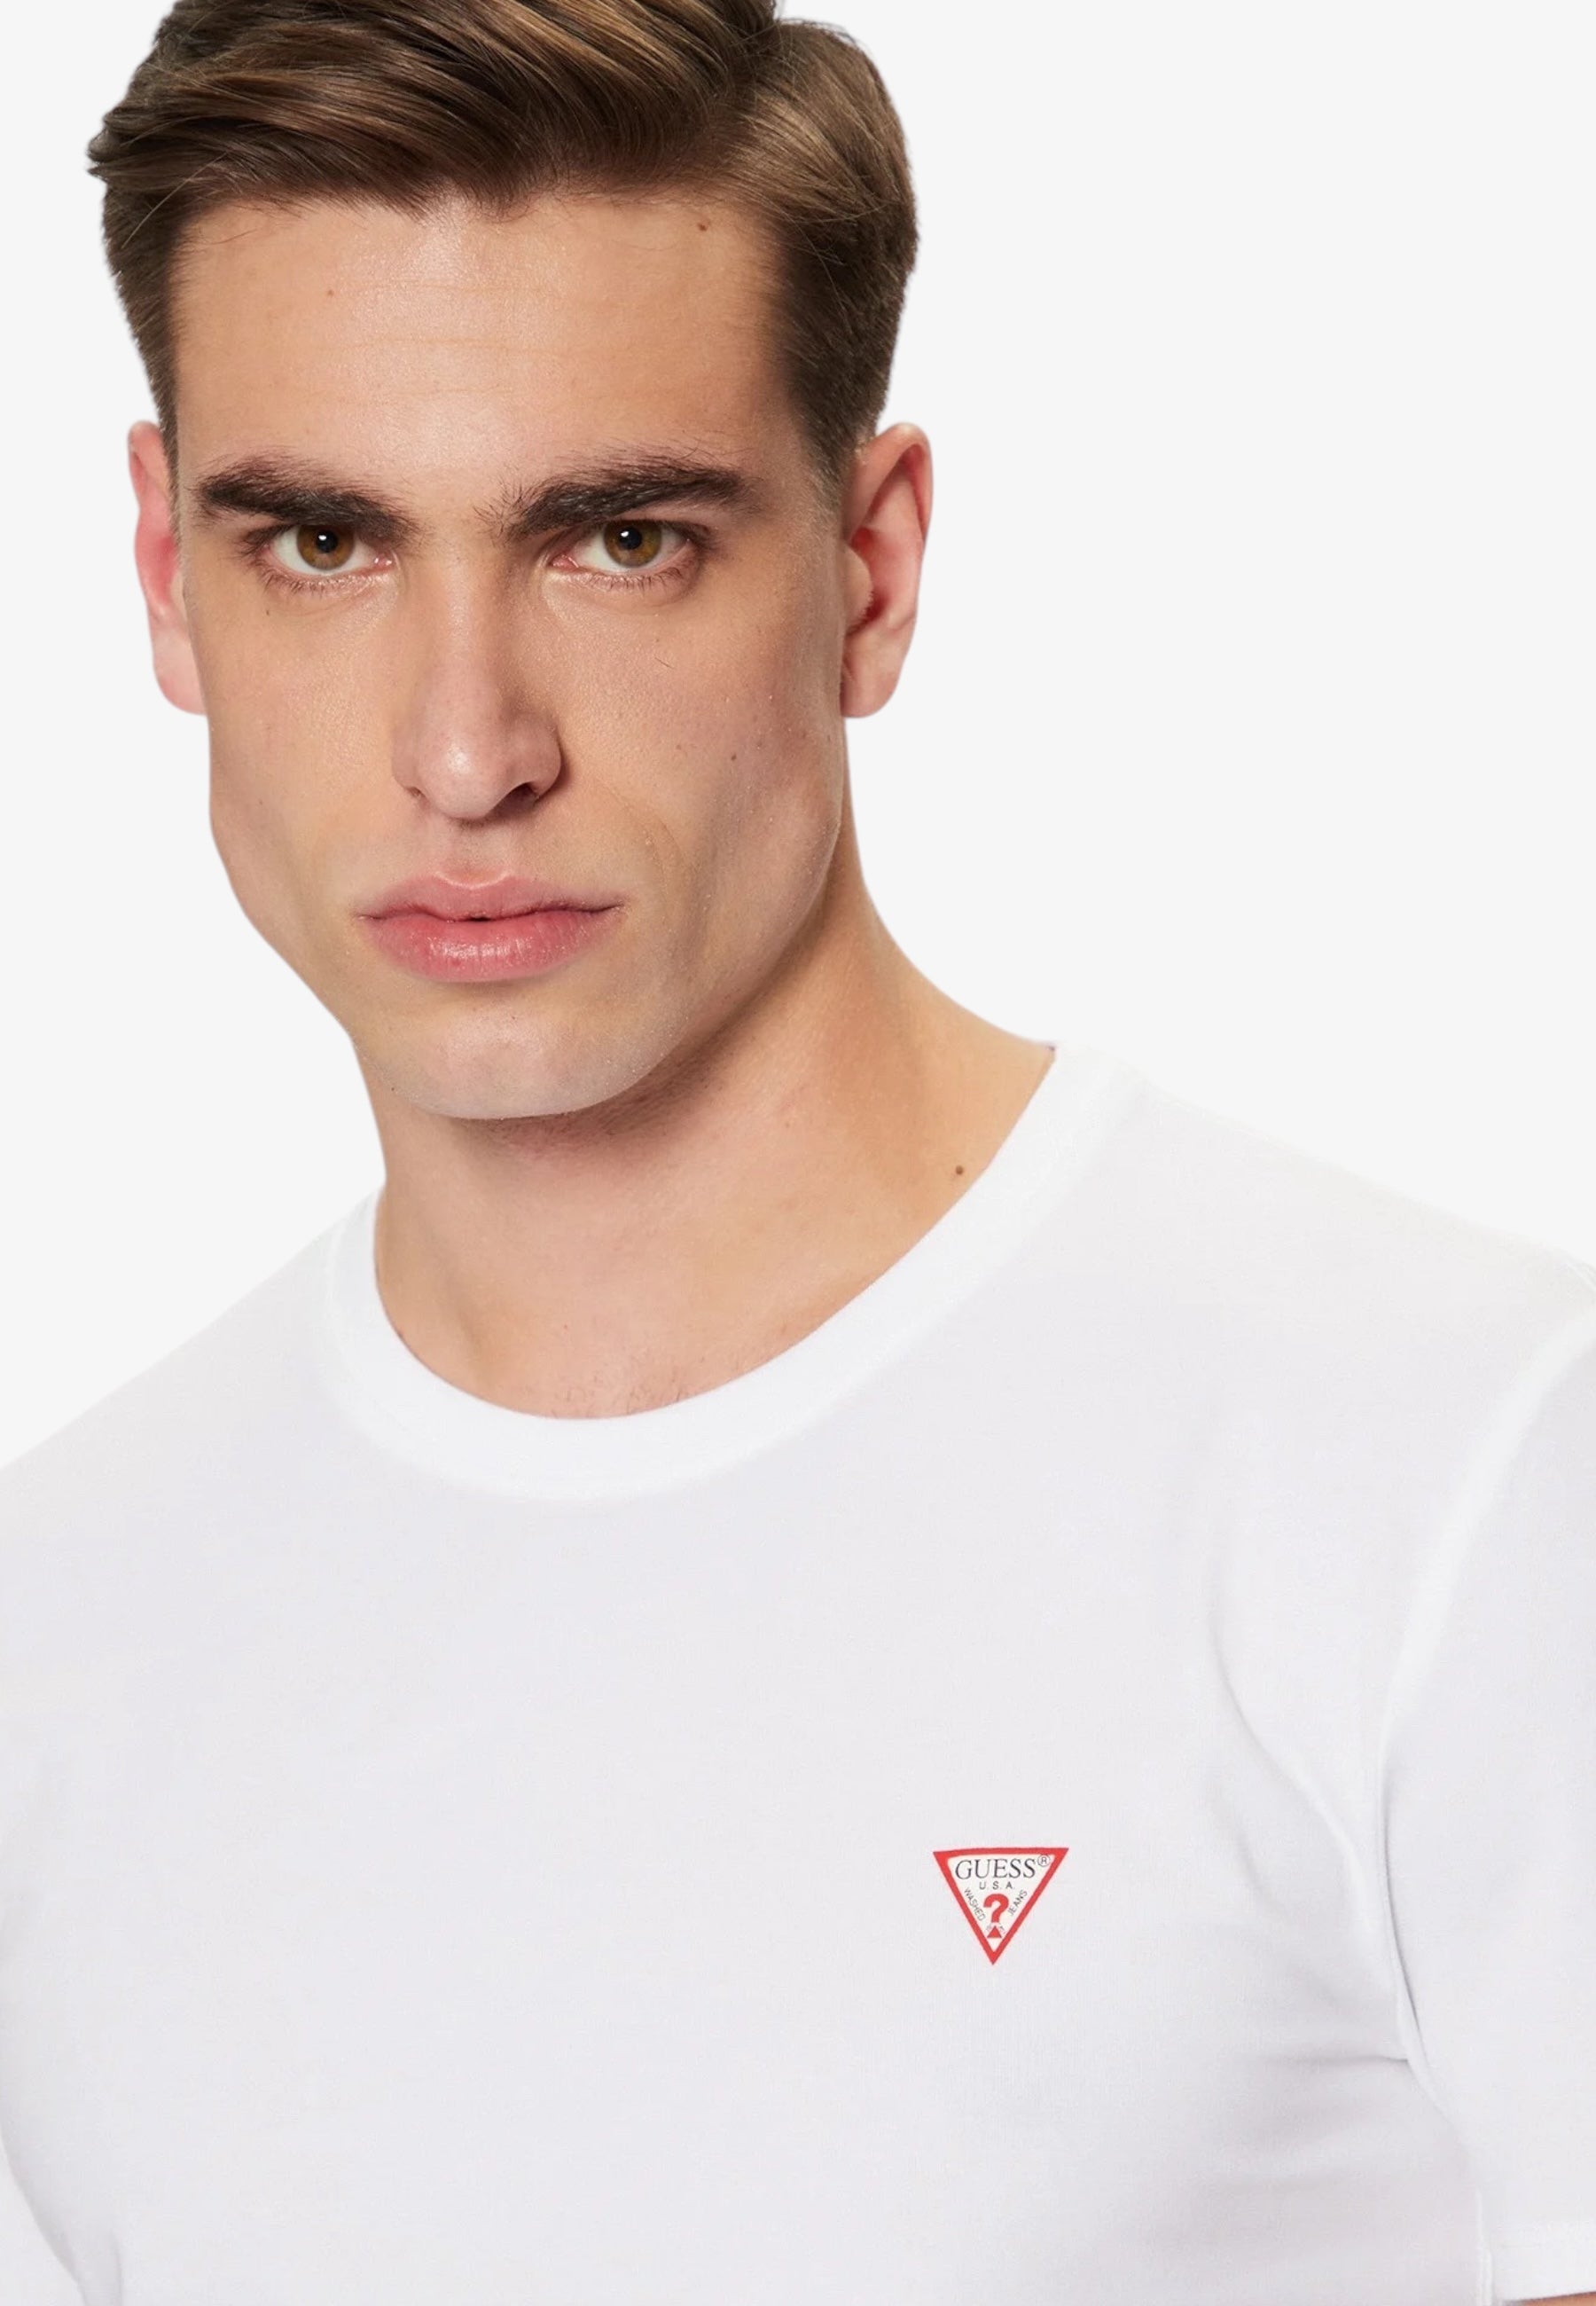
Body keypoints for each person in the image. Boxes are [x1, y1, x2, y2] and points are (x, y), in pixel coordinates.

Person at [0, 0, 1592, 2299]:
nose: (467, 748)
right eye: (326, 540)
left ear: (872, 564)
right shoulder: (56, 1641)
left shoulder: (1463, 1479)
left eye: (618, 537)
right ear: (166, 570)